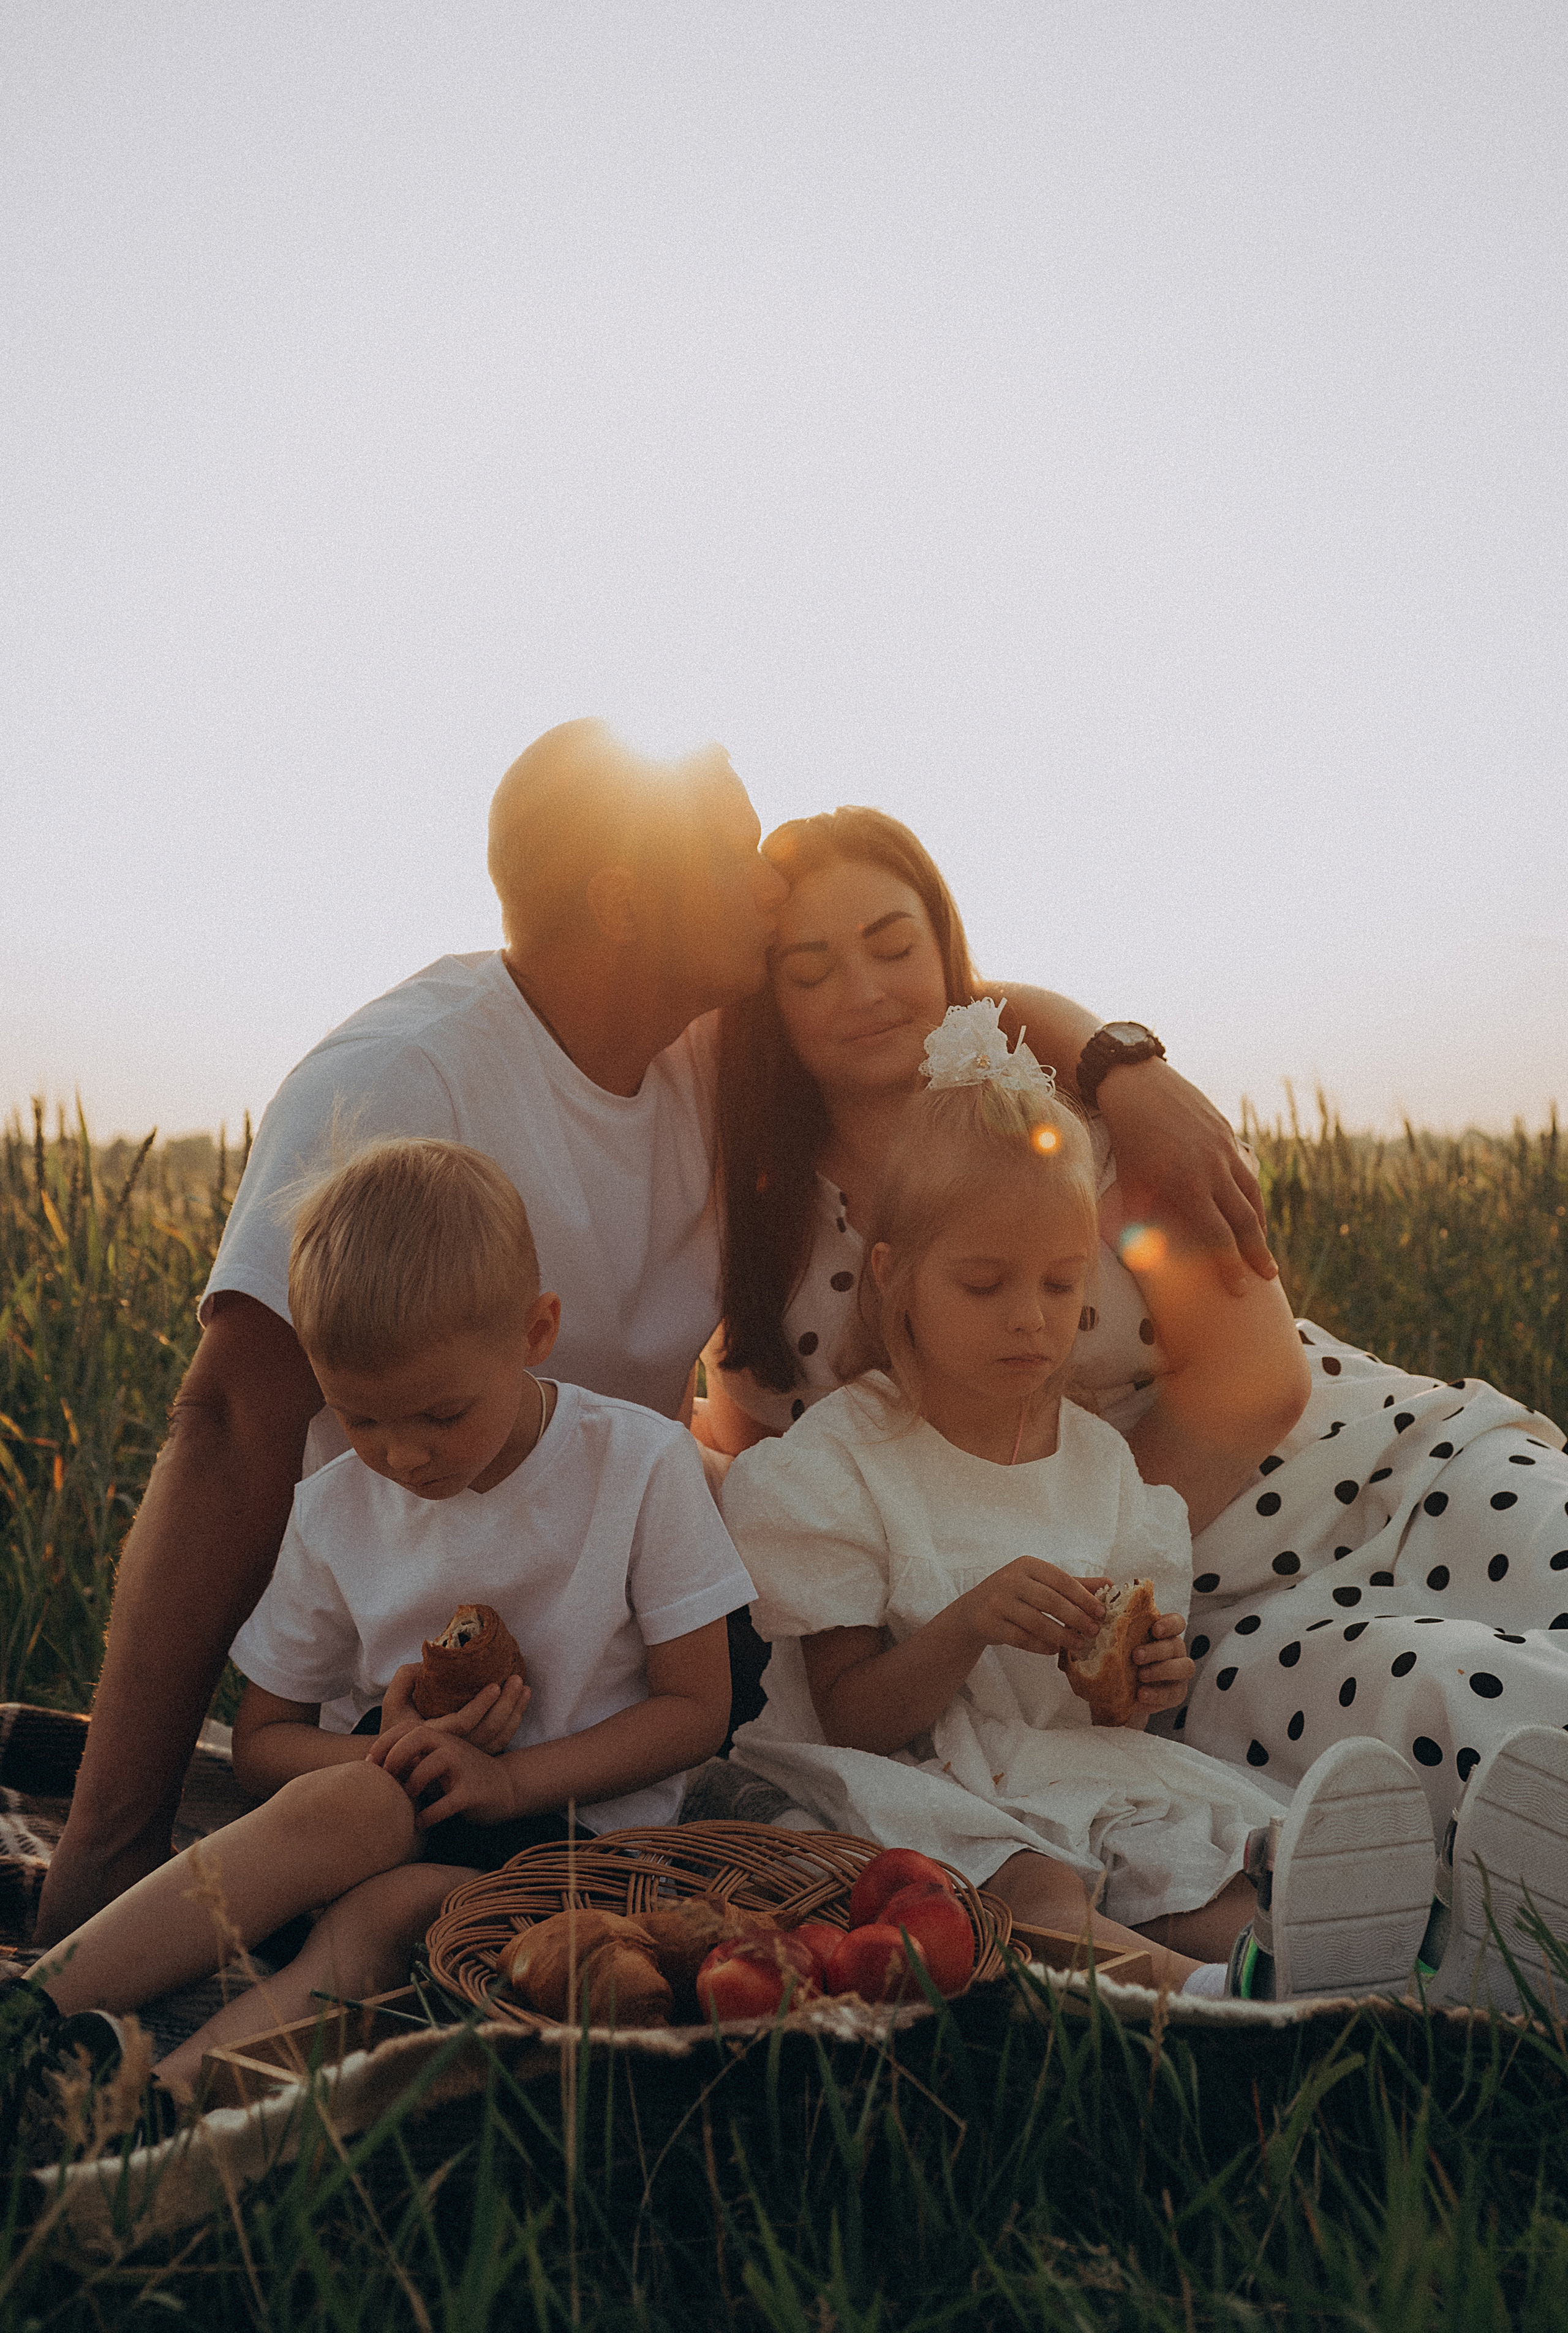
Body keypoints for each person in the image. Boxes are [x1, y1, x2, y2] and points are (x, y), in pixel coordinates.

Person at [39, 729, 1270, 1945]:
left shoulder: (703, 1053)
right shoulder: (411, 1078)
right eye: (735, 852)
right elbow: (228, 1421)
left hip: (626, 1662)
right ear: (625, 902)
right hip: (426, 1646)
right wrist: (106, 1840)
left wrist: (1121, 1063)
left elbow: (940, 995)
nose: (768, 879)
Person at [699, 810, 1568, 1839]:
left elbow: (1258, 1382)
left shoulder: (1081, 1125)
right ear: (767, 1003)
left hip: (1349, 1466)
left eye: (895, 946)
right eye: (810, 969)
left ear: (944, 949)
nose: (866, 992)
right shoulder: (763, 1233)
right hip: (1161, 1621)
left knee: (1540, 1544)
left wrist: (1119, 1060)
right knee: (1443, 1693)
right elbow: (771, 1491)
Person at [720, 1013, 1568, 2008]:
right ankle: (1226, 1999)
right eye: (985, 1284)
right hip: (901, 1782)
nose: (1032, 1317)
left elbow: (1116, 1709)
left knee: (1202, 1858)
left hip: (1067, 1767)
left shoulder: (1099, 1467)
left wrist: (1139, 1681)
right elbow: (853, 1719)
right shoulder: (840, 1464)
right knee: (1020, 1881)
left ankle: (1447, 1961)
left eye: (1062, 1283)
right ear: (895, 1275)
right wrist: (968, 1623)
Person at [29, 1138, 752, 2099]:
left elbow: (699, 1710)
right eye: (361, 1420)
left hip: (571, 1863)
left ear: (536, 1332)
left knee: (390, 1918)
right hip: (362, 1830)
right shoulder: (334, 1509)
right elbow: (262, 1744)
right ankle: (36, 2020)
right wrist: (387, 1755)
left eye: (441, 1415)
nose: (404, 1456)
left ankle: (157, 2113)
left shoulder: (638, 1468)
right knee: (355, 1803)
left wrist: (505, 1782)